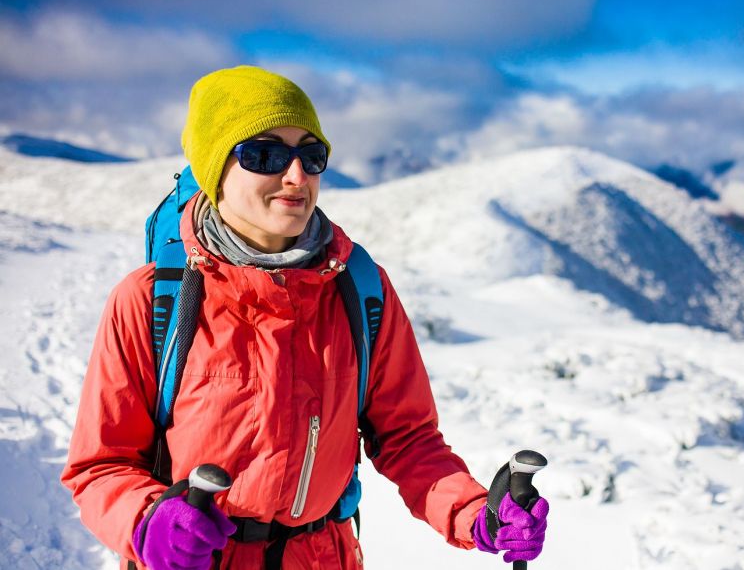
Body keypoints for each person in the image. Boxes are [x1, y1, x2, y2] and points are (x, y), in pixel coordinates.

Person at [61, 66, 549, 570]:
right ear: (213, 169)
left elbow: (408, 439)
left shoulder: (359, 289)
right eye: (265, 154)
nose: (296, 176)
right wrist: (145, 523)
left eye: (311, 155)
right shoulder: (152, 300)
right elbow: (100, 465)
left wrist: (474, 513)